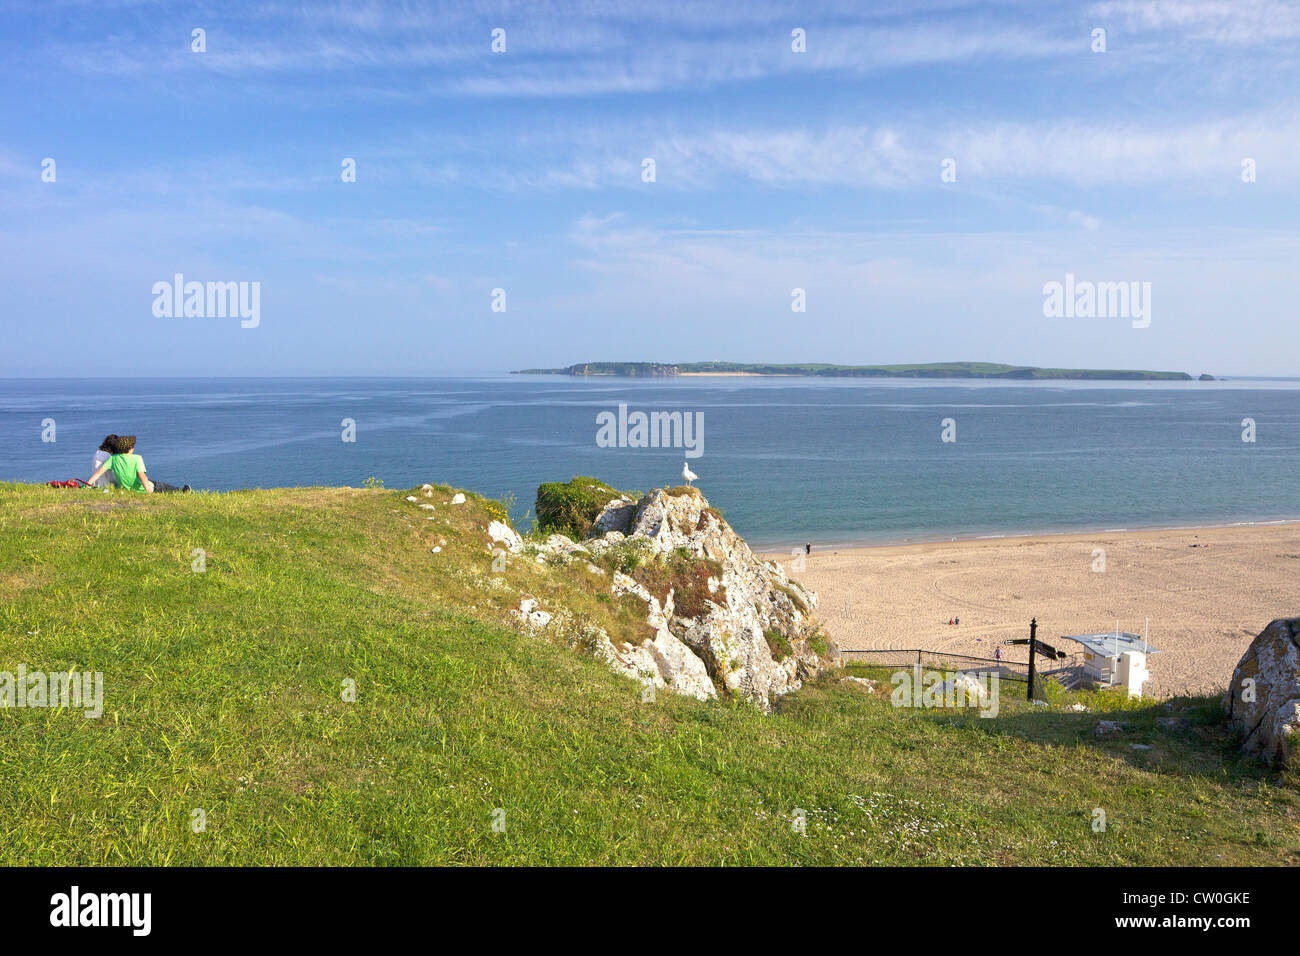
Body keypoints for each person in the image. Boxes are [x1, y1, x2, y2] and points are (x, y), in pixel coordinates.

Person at [87, 436, 189, 493]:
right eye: (133, 446)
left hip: (126, 489)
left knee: (154, 483)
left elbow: (98, 473)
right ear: (130, 448)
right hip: (142, 489)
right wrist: (149, 492)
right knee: (162, 486)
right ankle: (181, 491)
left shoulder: (113, 459)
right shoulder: (137, 458)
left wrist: (87, 485)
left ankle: (179, 491)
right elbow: (142, 476)